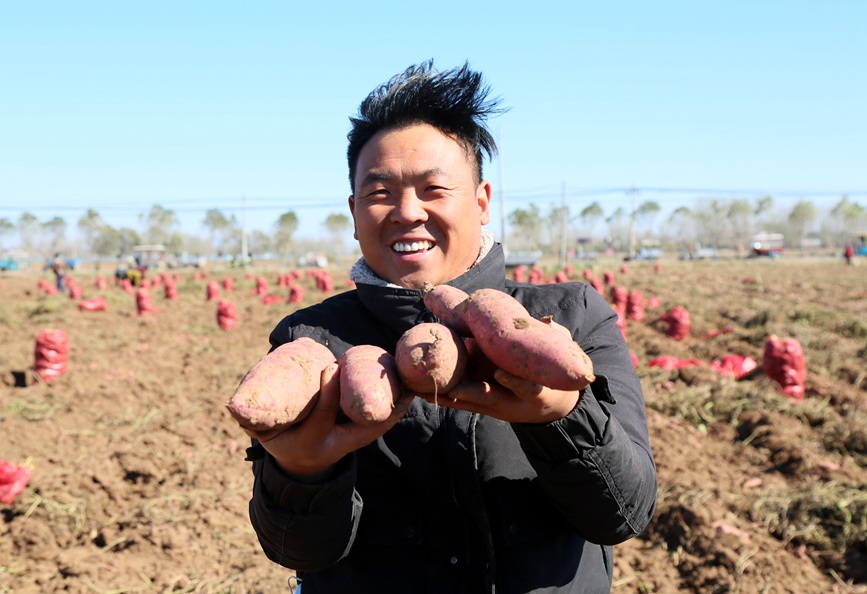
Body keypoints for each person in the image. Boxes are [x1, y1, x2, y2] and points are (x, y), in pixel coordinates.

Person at [243, 61, 657, 593]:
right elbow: (294, 553)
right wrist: (299, 474)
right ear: (353, 211)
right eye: (379, 193)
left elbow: (624, 514)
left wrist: (561, 415)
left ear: (482, 202)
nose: (406, 211)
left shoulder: (573, 316)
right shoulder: (311, 339)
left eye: (433, 189)